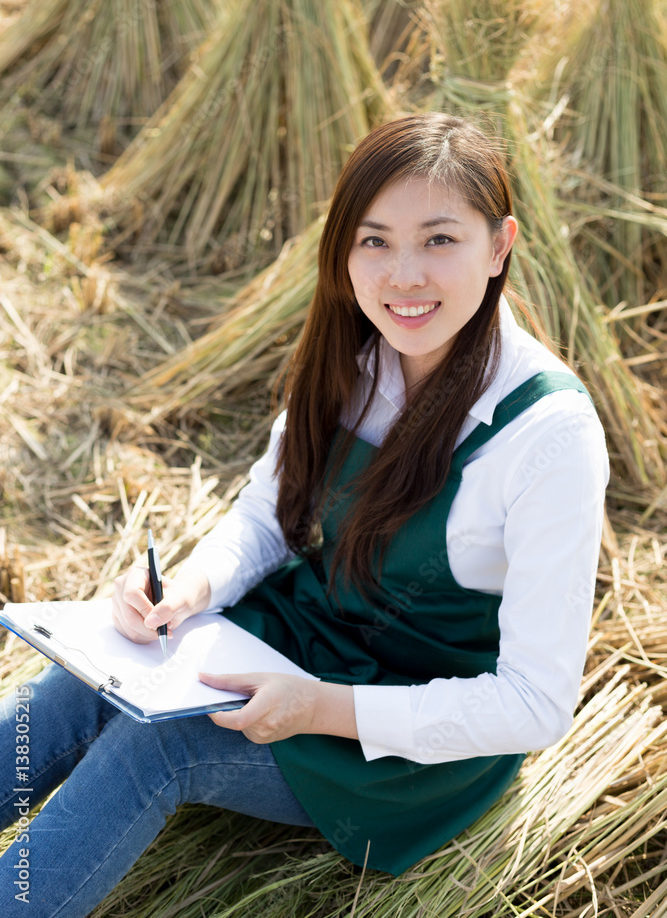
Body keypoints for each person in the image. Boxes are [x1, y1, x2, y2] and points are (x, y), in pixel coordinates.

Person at [0, 113, 609, 917]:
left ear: (498, 246)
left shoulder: (547, 435)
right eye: (374, 241)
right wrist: (187, 590)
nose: (402, 276)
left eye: (438, 240)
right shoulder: (353, 355)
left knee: (160, 743)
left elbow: (533, 704)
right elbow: (269, 515)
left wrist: (320, 707)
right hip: (304, 635)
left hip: (405, 732)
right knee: (86, 684)